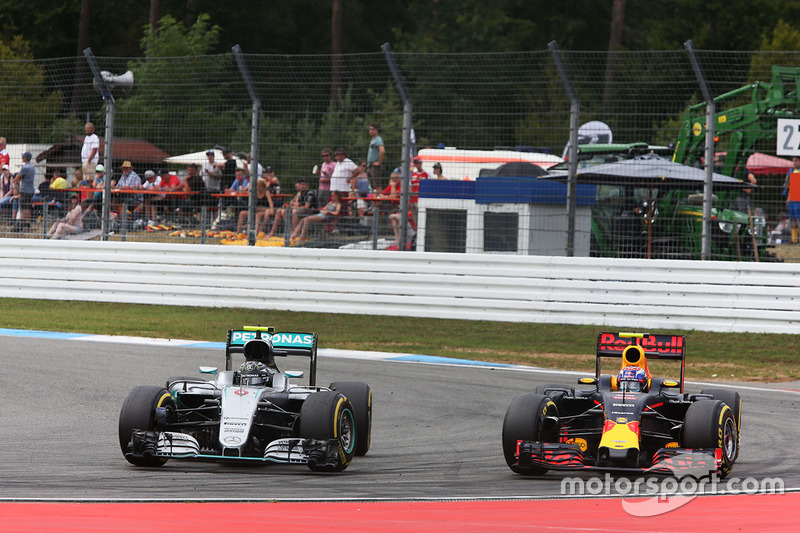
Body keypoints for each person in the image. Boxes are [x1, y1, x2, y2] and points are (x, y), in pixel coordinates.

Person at [236, 171, 274, 237]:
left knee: (258, 215)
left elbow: (270, 203)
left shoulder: (266, 191)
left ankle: (255, 232)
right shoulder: (255, 192)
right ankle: (238, 231)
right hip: (256, 209)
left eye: (258, 185)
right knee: (242, 213)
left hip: (264, 209)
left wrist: (271, 210)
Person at [11, 151, 35, 230]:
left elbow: (17, 178)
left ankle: (24, 223)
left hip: (25, 189)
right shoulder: (32, 167)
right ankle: (27, 223)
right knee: (27, 206)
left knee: (24, 207)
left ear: (25, 158)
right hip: (31, 189)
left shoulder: (25, 167)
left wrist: (15, 181)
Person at [784, 157, 800, 243]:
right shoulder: (791, 172)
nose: (794, 162)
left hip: (799, 199)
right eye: (793, 160)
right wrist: (788, 198)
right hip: (792, 199)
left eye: (796, 160)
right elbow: (789, 187)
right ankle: (794, 239)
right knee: (792, 218)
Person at [366, 123, 385, 189]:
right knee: (372, 185)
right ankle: (374, 198)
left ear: (376, 130)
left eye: (372, 129)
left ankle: (379, 198)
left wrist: (379, 162)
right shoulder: (373, 140)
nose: (370, 131)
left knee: (377, 185)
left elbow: (382, 151)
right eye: (370, 129)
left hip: (375, 166)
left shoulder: (378, 139)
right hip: (370, 165)